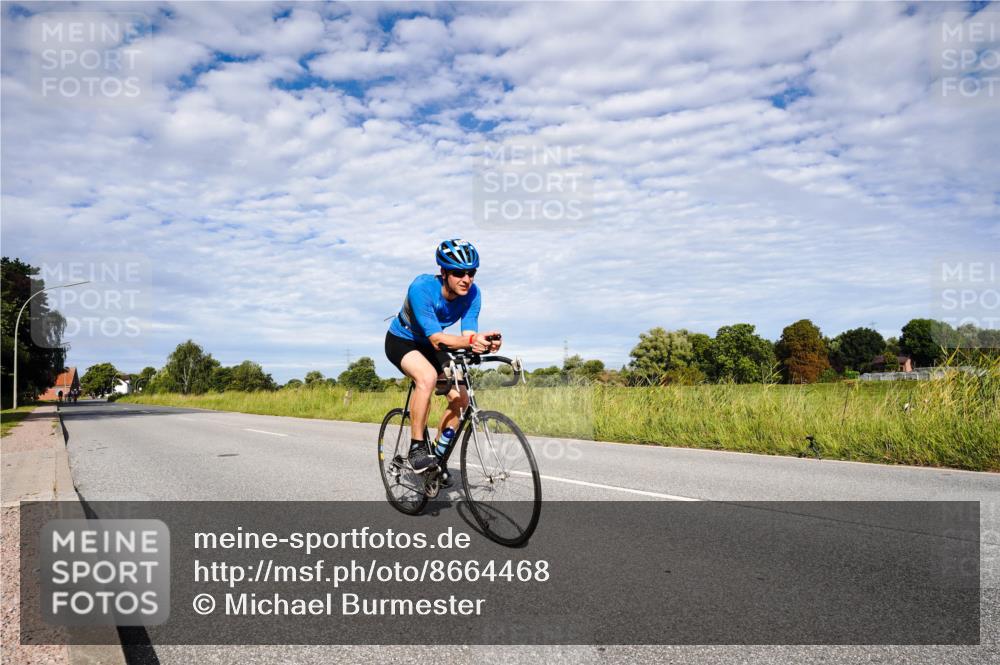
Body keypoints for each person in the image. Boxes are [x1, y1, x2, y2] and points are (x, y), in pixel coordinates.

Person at [385, 239, 502, 482]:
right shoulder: (421, 288)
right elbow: (438, 339)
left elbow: (467, 335)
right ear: (443, 272)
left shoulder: (473, 294)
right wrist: (471, 342)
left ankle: (437, 456)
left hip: (432, 343)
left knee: (461, 397)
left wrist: (483, 343)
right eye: (459, 273)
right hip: (403, 340)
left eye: (471, 273)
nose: (466, 279)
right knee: (426, 377)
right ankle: (417, 448)